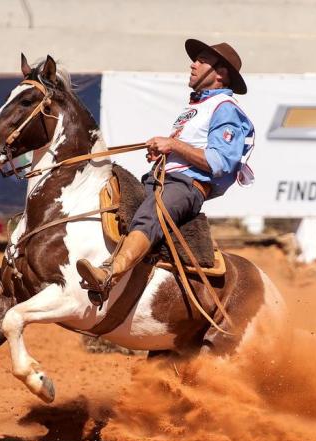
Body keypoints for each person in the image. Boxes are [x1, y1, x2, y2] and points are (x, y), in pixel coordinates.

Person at [76, 38, 255, 302]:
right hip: (162, 179)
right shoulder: (196, 108)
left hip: (186, 187)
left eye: (202, 60)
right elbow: (189, 150)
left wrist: (173, 144)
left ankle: (109, 274)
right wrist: (165, 153)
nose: (193, 65)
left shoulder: (225, 109)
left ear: (220, 74)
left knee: (150, 215)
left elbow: (220, 162)